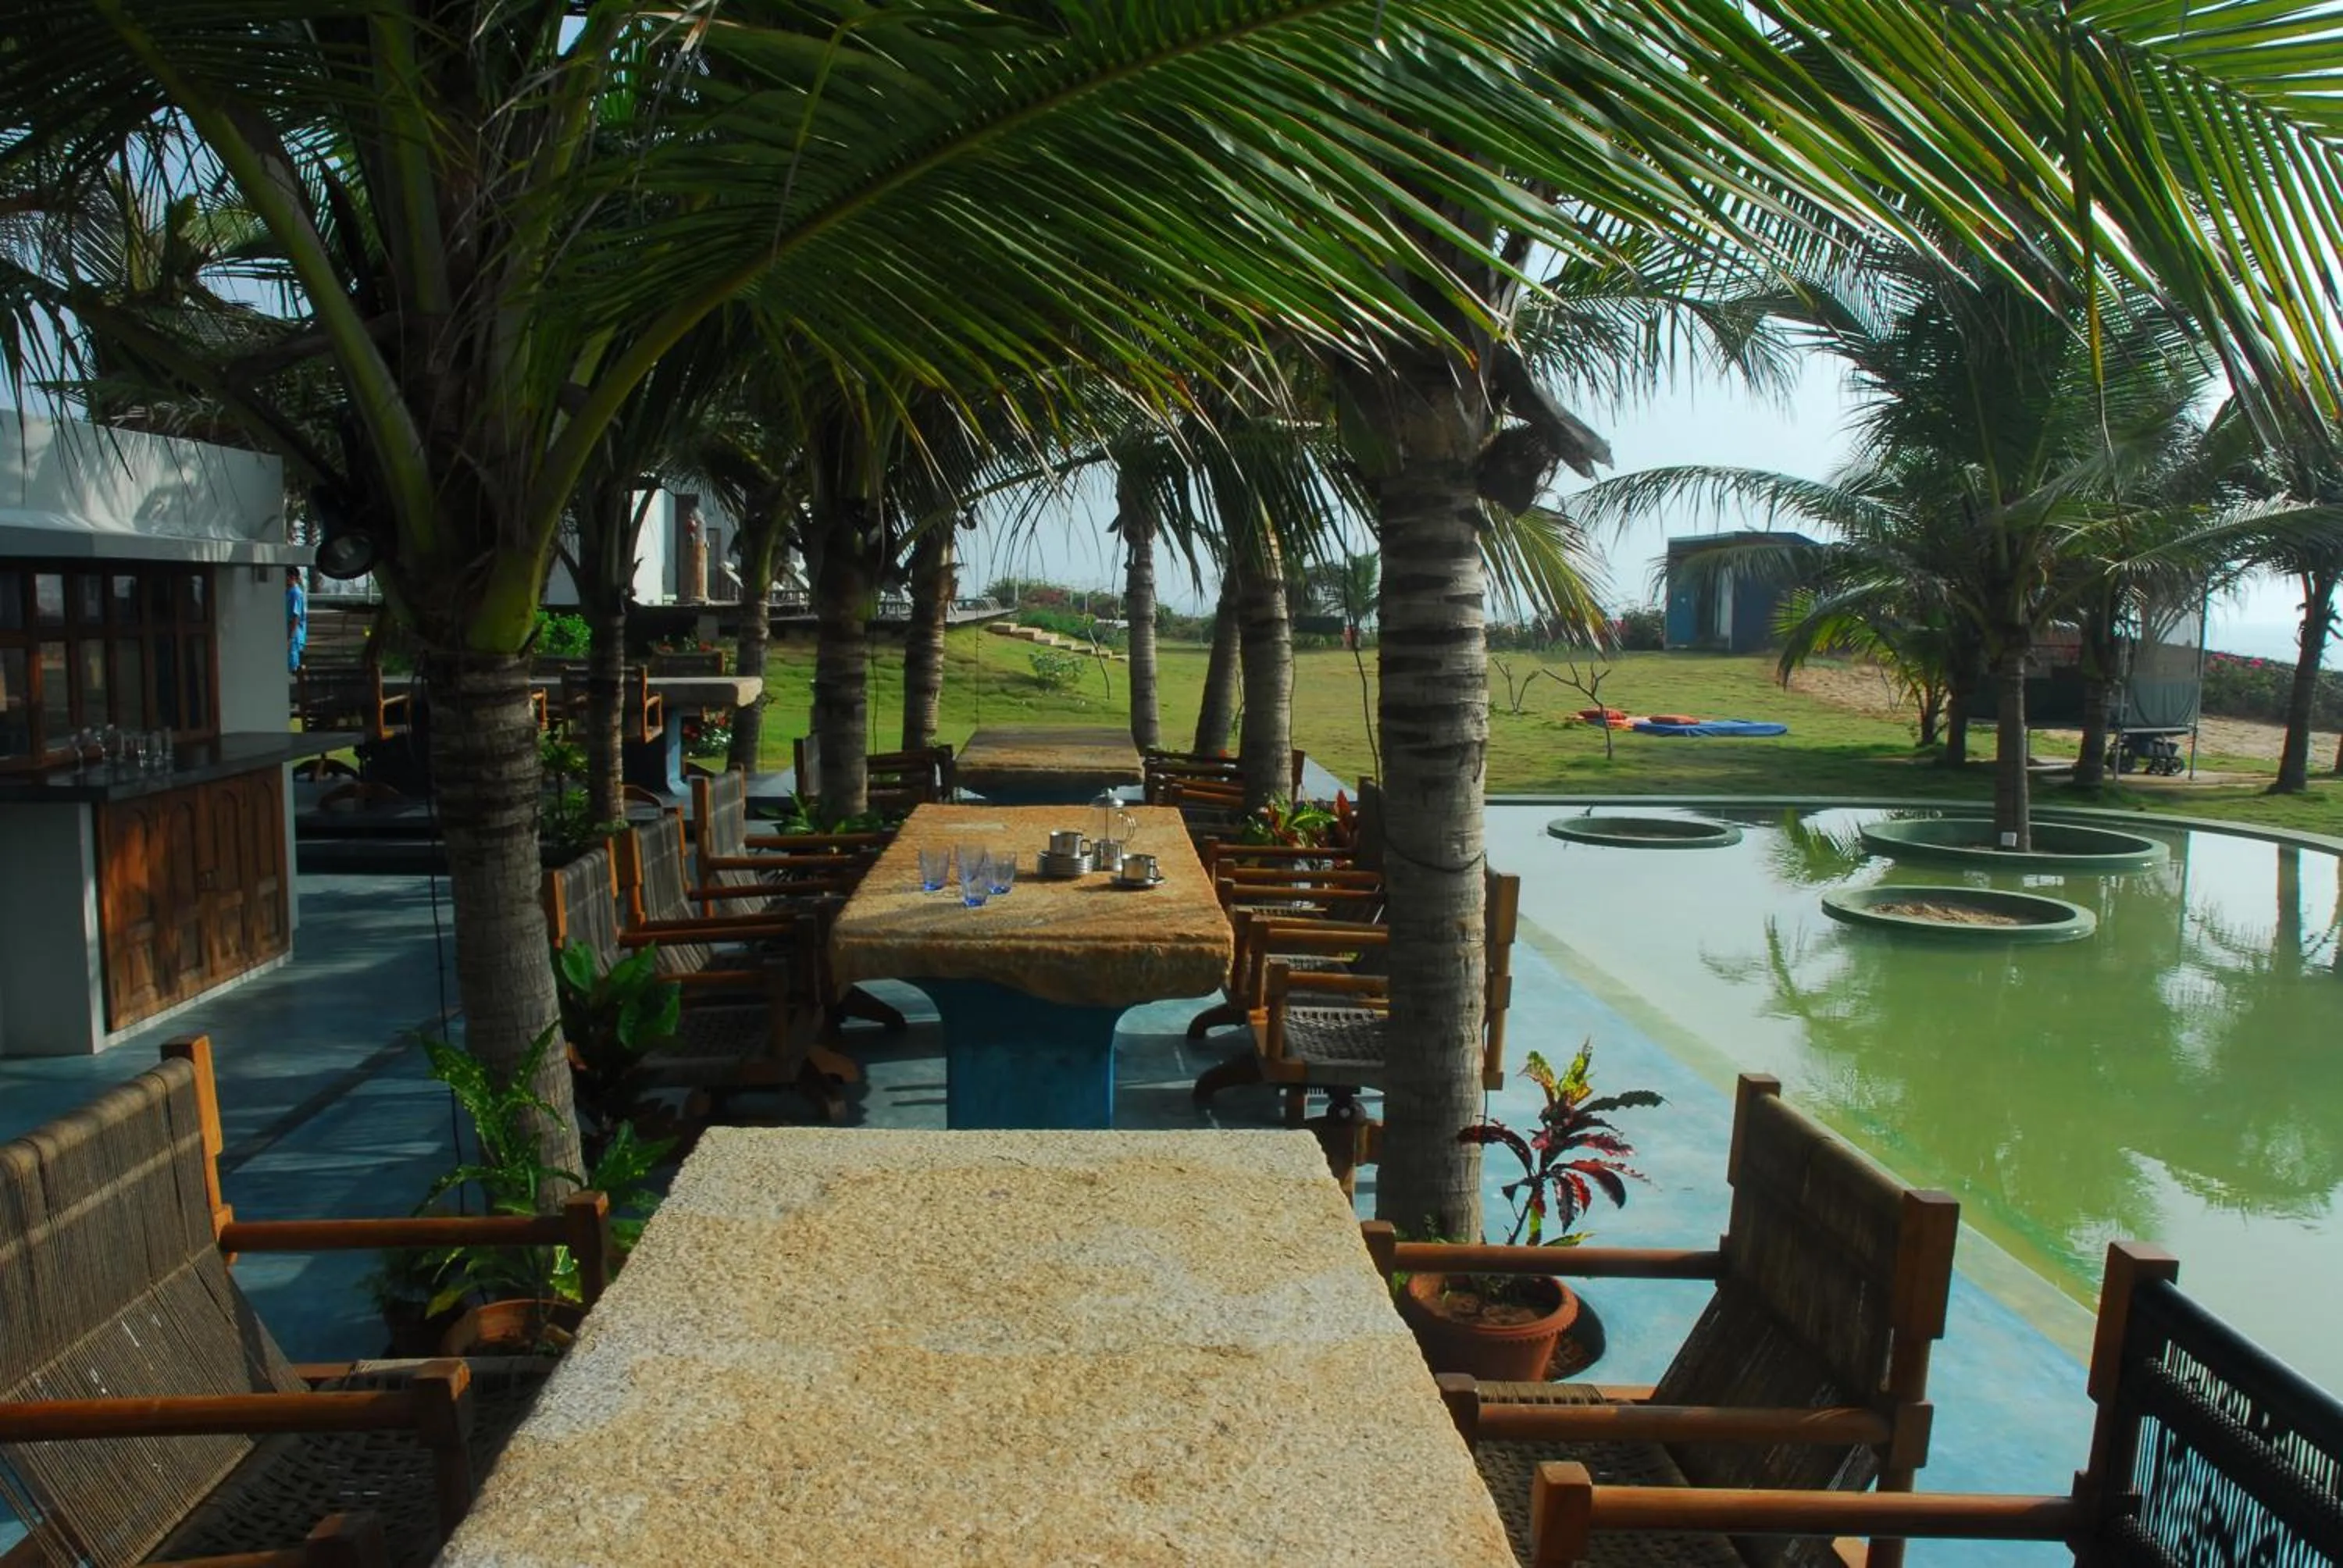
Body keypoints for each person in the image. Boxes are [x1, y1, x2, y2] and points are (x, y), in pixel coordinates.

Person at [286, 568, 308, 673]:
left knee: (293, 664)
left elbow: (296, 616)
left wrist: (290, 638)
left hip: (293, 633)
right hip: (287, 631)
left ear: (292, 577)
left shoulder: (296, 593)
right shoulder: (288, 592)